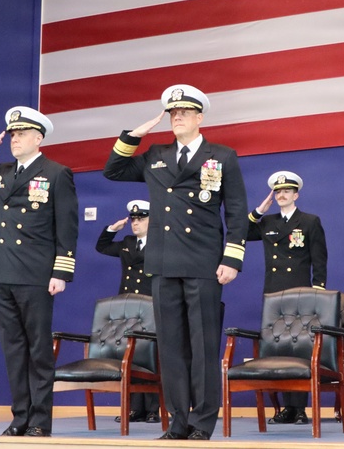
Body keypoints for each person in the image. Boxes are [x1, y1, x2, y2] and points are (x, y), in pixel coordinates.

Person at [103, 84, 248, 441]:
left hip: (202, 262)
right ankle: (178, 421)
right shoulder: (156, 154)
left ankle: (202, 423)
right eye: (172, 112)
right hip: (163, 262)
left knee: (202, 347)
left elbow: (237, 212)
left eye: (184, 112)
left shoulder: (222, 156)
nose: (177, 116)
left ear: (200, 117)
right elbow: (114, 170)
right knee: (170, 348)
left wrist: (232, 258)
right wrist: (134, 136)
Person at [0, 106, 79, 438]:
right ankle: (20, 416)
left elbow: (67, 227)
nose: (14, 139)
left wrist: (61, 271)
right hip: (1, 269)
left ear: (39, 137)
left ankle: (40, 420)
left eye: (21, 134)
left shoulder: (55, 173)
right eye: (12, 134)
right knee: (13, 349)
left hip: (37, 273)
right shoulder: (1, 172)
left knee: (38, 349)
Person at [246, 170, 328, 425]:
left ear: (296, 195)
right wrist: (259, 211)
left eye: (286, 191)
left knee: (299, 349)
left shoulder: (309, 221)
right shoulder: (267, 222)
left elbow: (319, 257)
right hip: (273, 292)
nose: (281, 195)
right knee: (277, 348)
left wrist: (319, 288)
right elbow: (245, 233)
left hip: (300, 290)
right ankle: (285, 409)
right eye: (278, 191)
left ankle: (299, 409)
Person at [95, 199, 159, 423]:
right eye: (134, 219)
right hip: (127, 306)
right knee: (129, 356)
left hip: (150, 306)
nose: (135, 223)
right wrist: (113, 229)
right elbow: (101, 246)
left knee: (150, 357)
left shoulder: (161, 243)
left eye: (141, 219)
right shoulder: (127, 243)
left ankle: (153, 408)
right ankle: (134, 408)